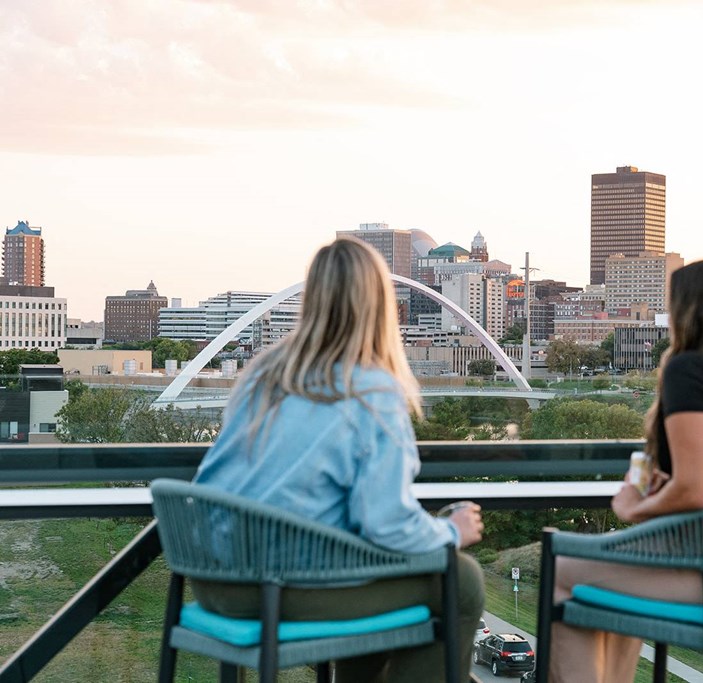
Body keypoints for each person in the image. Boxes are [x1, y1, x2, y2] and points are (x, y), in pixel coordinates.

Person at [192, 236, 485, 683]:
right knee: (460, 579)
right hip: (277, 589)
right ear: (380, 306)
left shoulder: (265, 373)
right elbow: (384, 523)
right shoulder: (371, 389)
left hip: (211, 582)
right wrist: (449, 531)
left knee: (377, 579)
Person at [549, 260, 703, 683]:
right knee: (613, 589)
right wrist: (674, 489)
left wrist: (636, 508)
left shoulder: (690, 367)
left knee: (560, 572)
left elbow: (695, 490)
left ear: (687, 310)